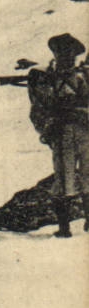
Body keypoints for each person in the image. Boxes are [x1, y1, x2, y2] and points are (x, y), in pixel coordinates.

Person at [27, 32, 88, 236]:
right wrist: (49, 128)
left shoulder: (83, 76)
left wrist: (81, 113)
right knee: (63, 178)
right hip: (61, 132)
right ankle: (64, 228)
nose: (66, 57)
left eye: (69, 53)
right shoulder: (45, 78)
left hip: (85, 130)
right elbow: (38, 108)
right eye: (61, 52)